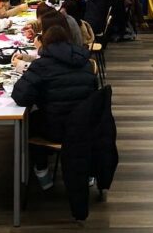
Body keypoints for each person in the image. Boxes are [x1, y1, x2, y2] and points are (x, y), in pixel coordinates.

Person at [11, 25, 97, 190]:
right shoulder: (85, 63)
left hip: (56, 129)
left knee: (28, 123)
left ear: (44, 44)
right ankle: (86, 172)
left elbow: (21, 97)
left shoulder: (41, 65)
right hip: (85, 127)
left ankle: (42, 169)